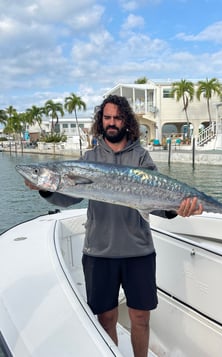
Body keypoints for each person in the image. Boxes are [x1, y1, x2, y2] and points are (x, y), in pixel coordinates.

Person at [25, 95, 202, 357]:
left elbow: (157, 201)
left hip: (138, 251)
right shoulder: (88, 158)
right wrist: (44, 188)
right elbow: (66, 198)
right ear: (101, 120)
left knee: (140, 317)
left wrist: (179, 208)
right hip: (99, 252)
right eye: (107, 117)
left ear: (126, 121)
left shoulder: (141, 157)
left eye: (117, 117)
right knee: (106, 318)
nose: (112, 122)